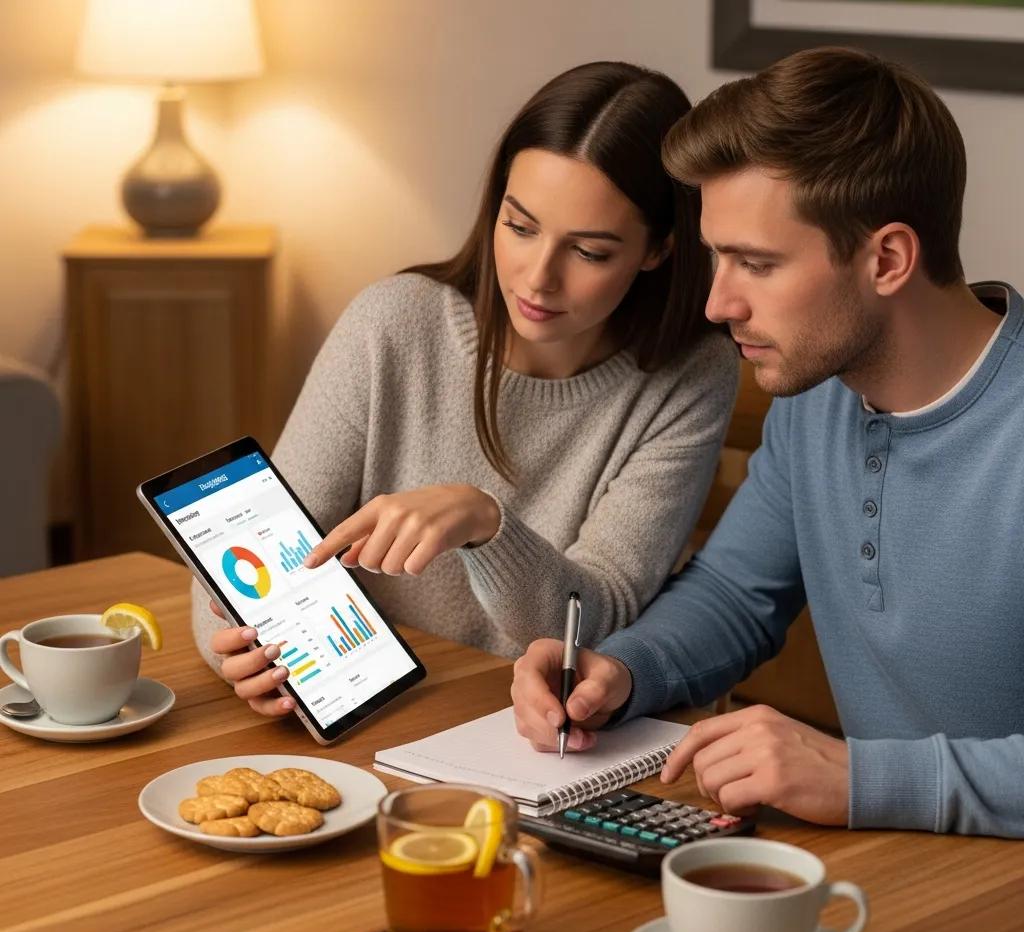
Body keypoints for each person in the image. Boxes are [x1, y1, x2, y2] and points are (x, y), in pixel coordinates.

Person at [511, 46, 1024, 839]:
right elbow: (733, 596)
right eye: (719, 255)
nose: (718, 303)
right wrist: (622, 670)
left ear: (887, 258)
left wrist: (860, 777)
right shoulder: (818, 398)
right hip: (894, 870)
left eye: (756, 263)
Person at [193, 61, 738, 717]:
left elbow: (593, 622)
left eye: (589, 252)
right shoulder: (395, 323)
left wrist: (486, 525)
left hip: (526, 735)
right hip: (368, 712)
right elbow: (258, 540)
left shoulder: (691, 377)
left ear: (658, 250)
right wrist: (233, 650)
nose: (538, 278)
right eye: (520, 225)